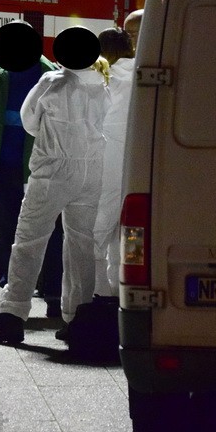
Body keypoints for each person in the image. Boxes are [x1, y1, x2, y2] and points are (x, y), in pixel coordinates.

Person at [0, 26, 110, 345]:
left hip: (53, 169)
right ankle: (76, 319)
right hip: (92, 170)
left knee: (29, 240)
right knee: (81, 244)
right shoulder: (102, 87)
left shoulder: (52, 81)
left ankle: (12, 318)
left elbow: (28, 120)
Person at [0, 21, 65, 317]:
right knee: (8, 233)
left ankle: (54, 296)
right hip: (5, 172)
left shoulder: (51, 76)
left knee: (50, 235)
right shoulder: (2, 75)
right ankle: (10, 295)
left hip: (36, 174)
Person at [92, 28, 135, 296]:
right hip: (139, 168)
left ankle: (98, 298)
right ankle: (125, 294)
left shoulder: (106, 77)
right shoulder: (144, 71)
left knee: (96, 236)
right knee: (128, 237)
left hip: (108, 166)